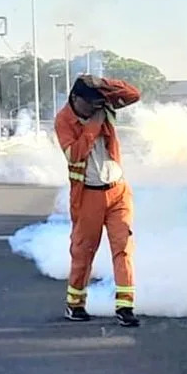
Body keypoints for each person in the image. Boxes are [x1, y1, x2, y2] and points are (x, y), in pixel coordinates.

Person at [54, 74, 141, 327]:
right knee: (83, 251)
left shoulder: (103, 104)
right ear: (75, 99)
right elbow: (75, 154)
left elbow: (133, 94)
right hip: (88, 194)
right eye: (89, 103)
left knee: (123, 247)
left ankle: (125, 307)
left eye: (97, 103)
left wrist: (103, 85)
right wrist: (94, 124)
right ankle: (75, 305)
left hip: (118, 191)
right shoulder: (64, 120)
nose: (94, 107)